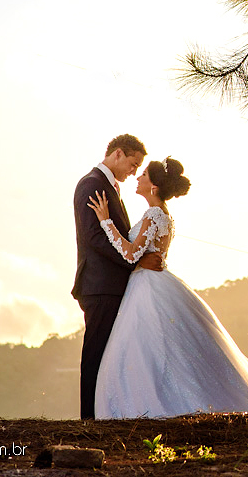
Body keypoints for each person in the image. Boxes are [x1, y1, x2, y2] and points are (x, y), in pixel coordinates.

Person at [88, 156, 248, 418]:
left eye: (143, 176)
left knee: (143, 351)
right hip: (152, 282)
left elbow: (130, 254)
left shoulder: (153, 214)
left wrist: (105, 220)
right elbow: (142, 255)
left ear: (153, 187)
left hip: (148, 288)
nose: (137, 178)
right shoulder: (162, 214)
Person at [72, 134, 164, 420]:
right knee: (95, 354)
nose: (134, 172)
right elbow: (95, 238)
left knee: (109, 356)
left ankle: (104, 415)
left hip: (111, 285)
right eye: (133, 164)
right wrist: (132, 262)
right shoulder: (92, 184)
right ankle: (88, 419)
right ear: (119, 154)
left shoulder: (108, 187)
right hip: (100, 286)